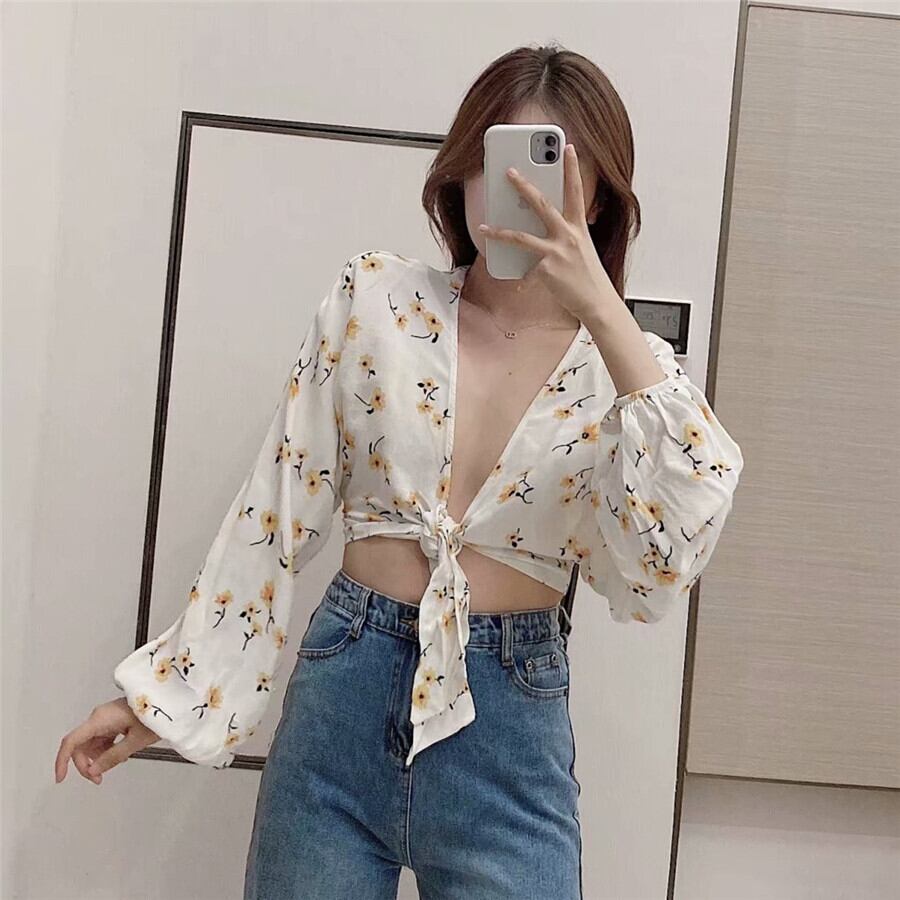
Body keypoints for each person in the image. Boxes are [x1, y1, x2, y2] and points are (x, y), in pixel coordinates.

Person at [55, 43, 744, 899]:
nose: (514, 192)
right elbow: (274, 508)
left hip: (511, 732)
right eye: (494, 163)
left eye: (547, 169)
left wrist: (603, 307)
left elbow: (662, 567)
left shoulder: (631, 376)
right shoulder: (378, 300)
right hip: (344, 697)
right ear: (460, 173)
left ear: (598, 194)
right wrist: (161, 700)